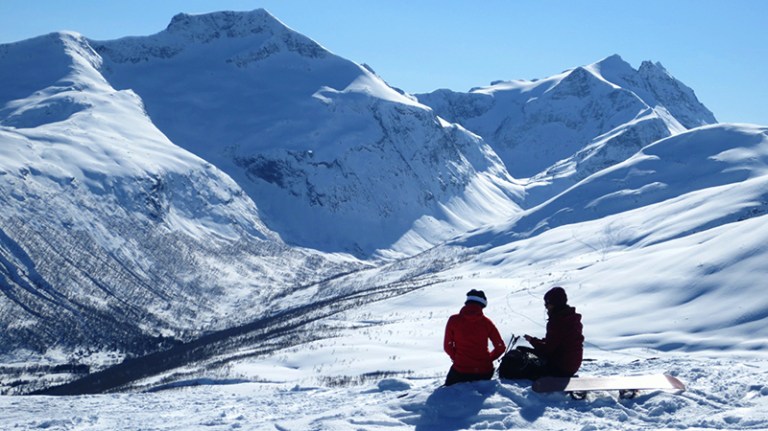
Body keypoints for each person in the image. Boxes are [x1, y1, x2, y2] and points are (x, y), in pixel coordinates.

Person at [443, 289, 506, 386]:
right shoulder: (487, 323)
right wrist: (488, 359)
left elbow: (447, 346)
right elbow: (500, 347)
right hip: (485, 371)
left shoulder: (453, 320)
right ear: (482, 304)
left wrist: (456, 357)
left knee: (445, 391)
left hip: (461, 370)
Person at [523, 286, 584, 378]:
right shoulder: (572, 318)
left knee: (524, 357)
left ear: (555, 304)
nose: (546, 307)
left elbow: (547, 349)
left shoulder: (557, 321)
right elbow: (556, 341)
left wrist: (532, 341)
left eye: (547, 303)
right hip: (573, 365)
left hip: (561, 367)